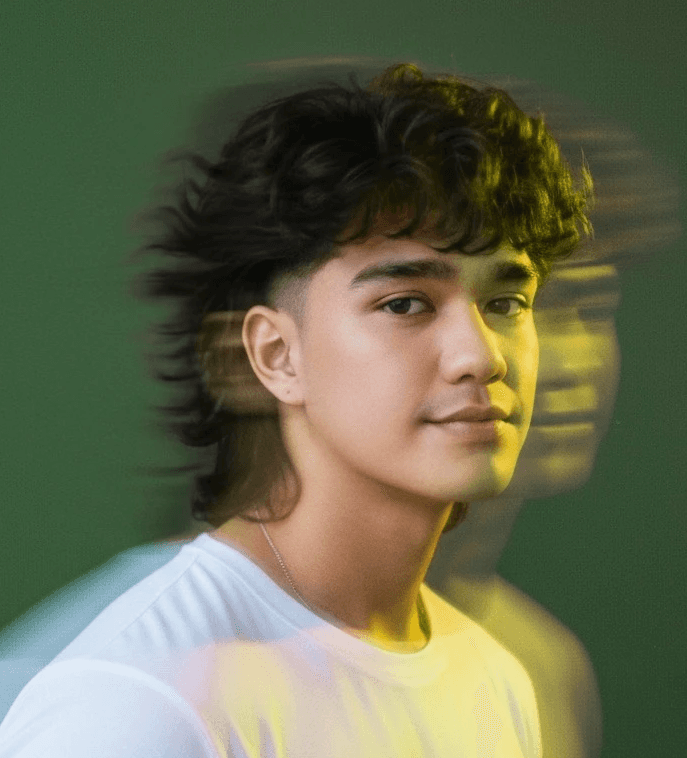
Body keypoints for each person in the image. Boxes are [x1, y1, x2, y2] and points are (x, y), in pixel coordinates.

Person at [0, 60, 595, 757]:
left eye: (506, 302)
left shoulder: (496, 680)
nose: (481, 355)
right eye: (404, 303)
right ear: (276, 355)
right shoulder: (140, 702)